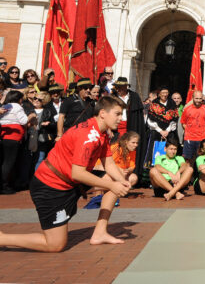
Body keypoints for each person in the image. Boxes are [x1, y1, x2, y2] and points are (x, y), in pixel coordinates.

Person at [0, 96, 131, 252]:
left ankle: (100, 233)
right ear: (102, 113)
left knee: (115, 179)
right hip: (50, 186)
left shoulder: (100, 133)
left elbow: (108, 163)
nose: (120, 119)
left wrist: (121, 181)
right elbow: (77, 173)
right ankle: (3, 239)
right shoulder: (89, 135)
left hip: (70, 182)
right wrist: (112, 185)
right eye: (117, 114)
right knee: (55, 245)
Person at [1, 90, 29, 194]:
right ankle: (4, 186)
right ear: (18, 99)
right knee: (9, 163)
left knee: (5, 162)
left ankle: (5, 185)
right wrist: (31, 116)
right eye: (22, 98)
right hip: (13, 137)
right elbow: (23, 121)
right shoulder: (17, 107)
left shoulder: (5, 106)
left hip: (4, 137)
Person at [180, 91, 205, 164]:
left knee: (201, 160)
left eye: (200, 98)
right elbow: (183, 123)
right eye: (196, 98)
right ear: (193, 98)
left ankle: (199, 175)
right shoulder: (187, 109)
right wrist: (190, 130)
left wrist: (200, 130)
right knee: (187, 160)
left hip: (201, 138)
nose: (198, 100)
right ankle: (188, 175)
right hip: (189, 138)